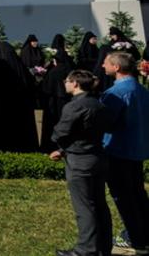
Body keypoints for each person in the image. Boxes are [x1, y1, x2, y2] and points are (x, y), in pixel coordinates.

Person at [49, 69, 112, 256]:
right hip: (97, 156)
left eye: (67, 80)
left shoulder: (74, 106)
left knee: (84, 206)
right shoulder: (99, 104)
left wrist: (60, 144)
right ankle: (103, 247)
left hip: (79, 160)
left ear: (75, 83)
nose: (65, 83)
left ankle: (86, 249)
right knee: (99, 203)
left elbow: (60, 132)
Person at [100, 51, 149, 255]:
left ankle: (136, 239)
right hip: (137, 148)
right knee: (138, 194)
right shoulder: (141, 89)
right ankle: (144, 232)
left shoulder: (116, 93)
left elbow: (105, 121)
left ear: (116, 67)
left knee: (123, 196)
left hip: (118, 149)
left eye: (106, 63)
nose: (103, 66)